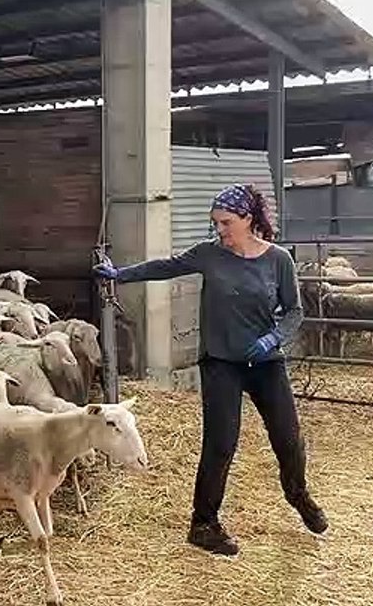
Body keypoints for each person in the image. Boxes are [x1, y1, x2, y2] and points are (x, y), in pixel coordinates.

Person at [93, 183, 327, 557]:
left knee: (289, 439)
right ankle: (204, 525)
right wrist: (120, 274)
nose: (219, 229)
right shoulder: (209, 255)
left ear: (248, 219)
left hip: (265, 363)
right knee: (220, 444)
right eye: (216, 222)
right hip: (221, 363)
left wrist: (273, 339)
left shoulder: (278, 260)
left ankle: (298, 497)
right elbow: (166, 266)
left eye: (226, 222)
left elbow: (294, 312)